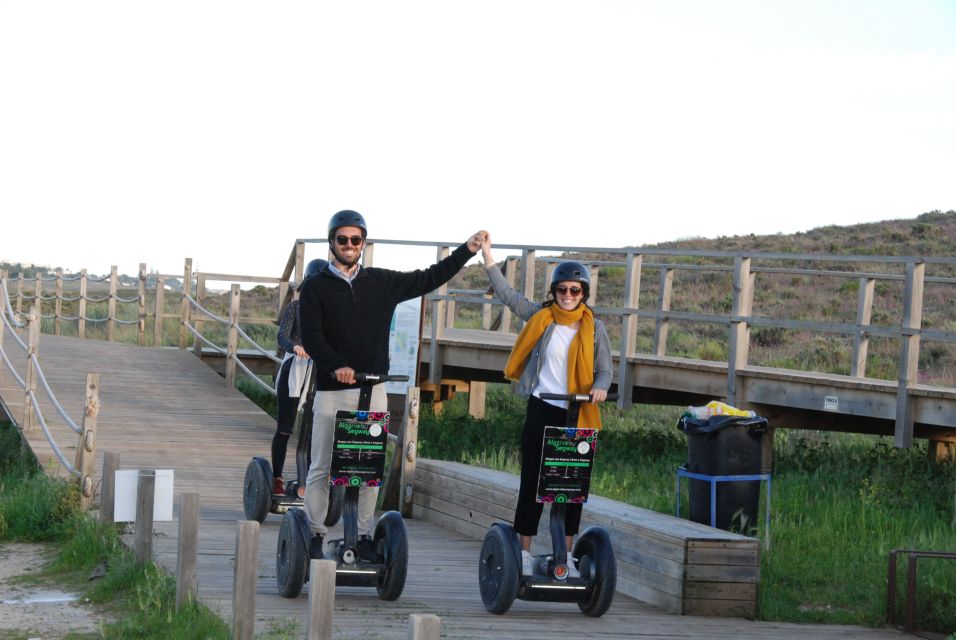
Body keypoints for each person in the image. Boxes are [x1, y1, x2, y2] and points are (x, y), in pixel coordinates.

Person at [298, 209, 486, 560]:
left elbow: (428, 278)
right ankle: (313, 532)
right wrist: (337, 365)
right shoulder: (315, 287)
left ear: (363, 243)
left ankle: (365, 536)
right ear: (332, 242)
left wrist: (467, 249)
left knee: (369, 468)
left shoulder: (380, 282)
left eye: (356, 239)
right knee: (322, 466)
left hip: (374, 390)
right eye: (343, 239)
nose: (350, 245)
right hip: (332, 391)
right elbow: (312, 336)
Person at [480, 233, 612, 577]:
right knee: (534, 483)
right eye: (562, 290)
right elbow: (508, 297)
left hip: (578, 412)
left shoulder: (595, 328)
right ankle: (523, 554)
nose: (568, 296)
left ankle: (565, 557)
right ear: (553, 292)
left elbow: (606, 370)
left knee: (571, 486)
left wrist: (599, 387)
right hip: (543, 408)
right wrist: (488, 255)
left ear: (583, 293)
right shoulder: (541, 317)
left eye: (575, 291)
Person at [271, 258, 328, 498]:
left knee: (315, 429)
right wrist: (295, 347)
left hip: (317, 372)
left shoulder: (329, 312)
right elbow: (282, 337)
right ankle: (277, 478)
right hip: (294, 370)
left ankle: (309, 481)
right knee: (286, 427)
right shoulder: (296, 307)